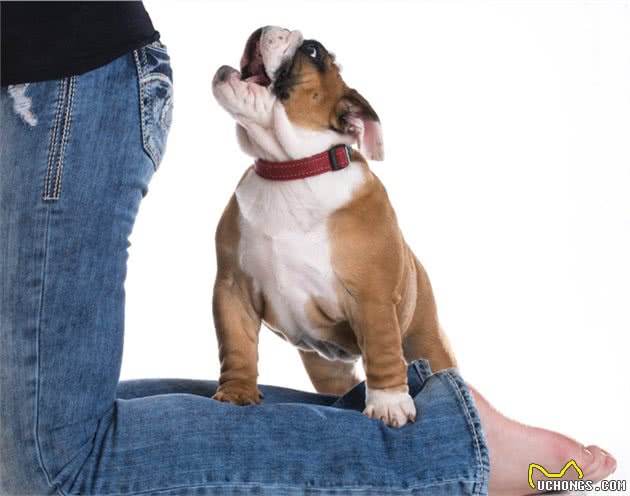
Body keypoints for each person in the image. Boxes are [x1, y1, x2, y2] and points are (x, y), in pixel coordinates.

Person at [0, 2, 616, 495]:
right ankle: (432, 432)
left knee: (52, 464)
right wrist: (241, 378)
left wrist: (390, 382)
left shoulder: (352, 198)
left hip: (55, 77)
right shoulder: (248, 203)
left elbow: (378, 295)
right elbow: (233, 292)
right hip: (36, 78)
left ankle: (455, 445)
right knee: (26, 440)